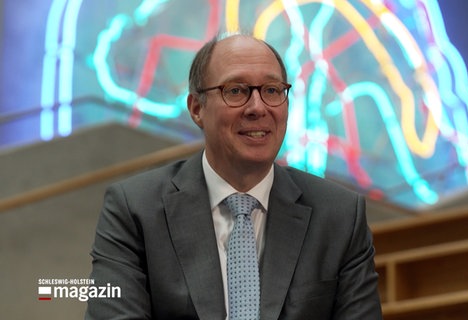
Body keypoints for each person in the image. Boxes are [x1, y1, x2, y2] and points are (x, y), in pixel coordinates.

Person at [85, 33, 382, 319]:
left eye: (272, 90)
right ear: (197, 108)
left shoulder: (340, 217)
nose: (257, 107)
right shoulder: (134, 210)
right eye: (236, 91)